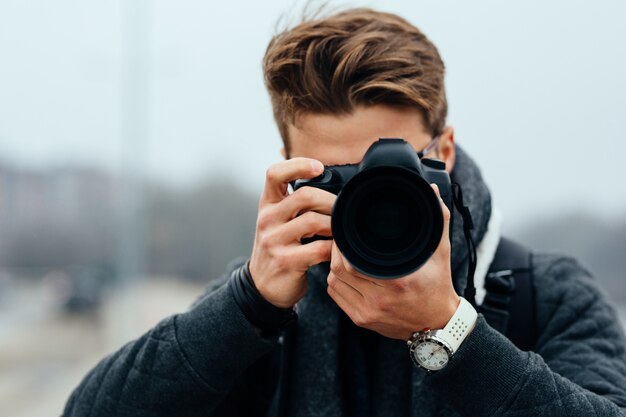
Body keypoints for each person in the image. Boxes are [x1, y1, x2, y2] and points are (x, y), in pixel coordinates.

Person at [63, 8, 626, 417]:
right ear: (288, 168)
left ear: (445, 153)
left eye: (390, 171)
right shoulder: (269, 305)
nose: (368, 198)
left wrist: (454, 333)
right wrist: (247, 306)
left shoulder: (542, 295)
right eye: (336, 177)